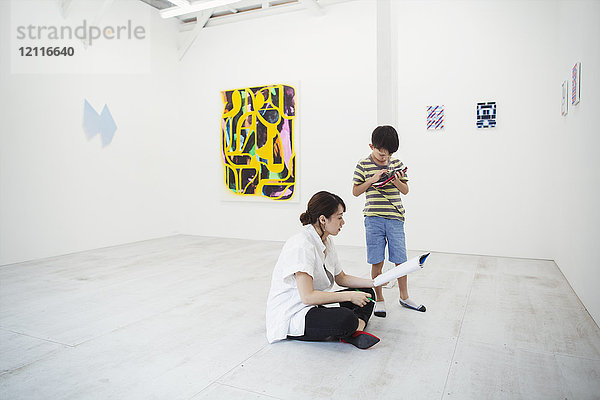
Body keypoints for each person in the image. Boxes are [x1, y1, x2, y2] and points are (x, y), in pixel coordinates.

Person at [266, 191, 381, 349]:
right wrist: (350, 296)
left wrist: (374, 282)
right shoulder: (302, 245)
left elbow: (341, 278)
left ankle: (355, 330)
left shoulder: (326, 241)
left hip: (313, 306)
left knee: (366, 292)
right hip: (294, 313)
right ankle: (352, 327)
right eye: (339, 217)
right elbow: (307, 297)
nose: (343, 222)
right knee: (346, 318)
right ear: (323, 219)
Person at [352, 125, 426, 318]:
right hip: (373, 218)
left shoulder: (398, 164)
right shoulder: (363, 165)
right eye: (380, 153)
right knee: (377, 261)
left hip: (395, 218)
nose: (384, 157)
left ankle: (404, 296)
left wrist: (394, 179)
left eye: (388, 154)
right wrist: (373, 179)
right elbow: (356, 191)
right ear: (371, 146)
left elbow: (405, 190)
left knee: (400, 261)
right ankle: (379, 299)